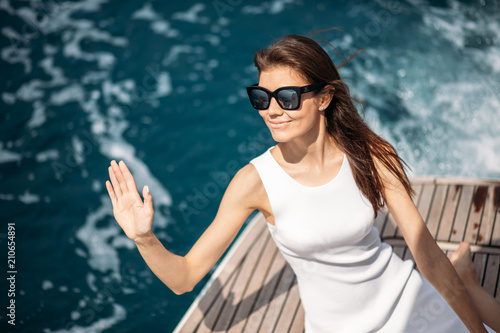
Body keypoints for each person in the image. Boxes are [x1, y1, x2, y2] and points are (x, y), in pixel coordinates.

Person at [105, 34, 500, 332]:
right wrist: (144, 239)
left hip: (406, 300)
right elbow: (186, 277)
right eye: (262, 97)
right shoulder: (253, 182)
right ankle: (466, 277)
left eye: (288, 97)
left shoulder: (371, 155)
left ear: (324, 98)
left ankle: (466, 280)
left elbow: (427, 256)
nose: (272, 111)